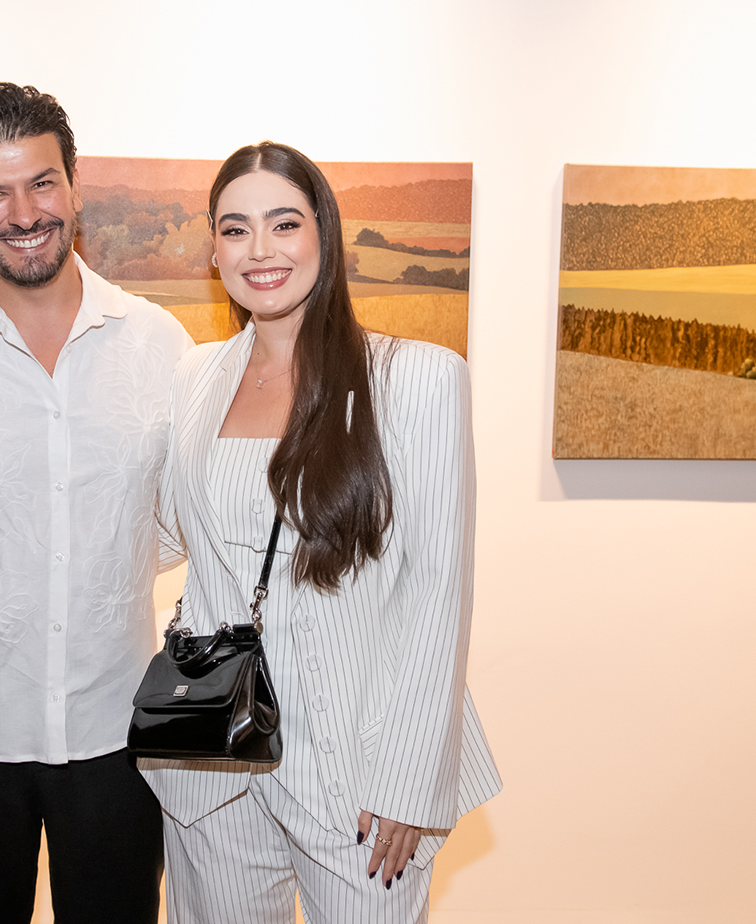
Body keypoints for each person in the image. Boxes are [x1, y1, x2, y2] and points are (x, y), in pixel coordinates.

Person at [139, 141, 503, 923]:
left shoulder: (416, 379)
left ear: (324, 235)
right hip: (214, 760)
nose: (260, 251)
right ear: (213, 249)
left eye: (283, 224)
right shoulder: (196, 377)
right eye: (235, 230)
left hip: (359, 778)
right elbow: (170, 534)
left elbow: (437, 593)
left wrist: (409, 783)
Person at [0, 82, 194, 923]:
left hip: (115, 733)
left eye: (40, 183)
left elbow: (173, 521)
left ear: (74, 183)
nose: (23, 213)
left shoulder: (158, 343)